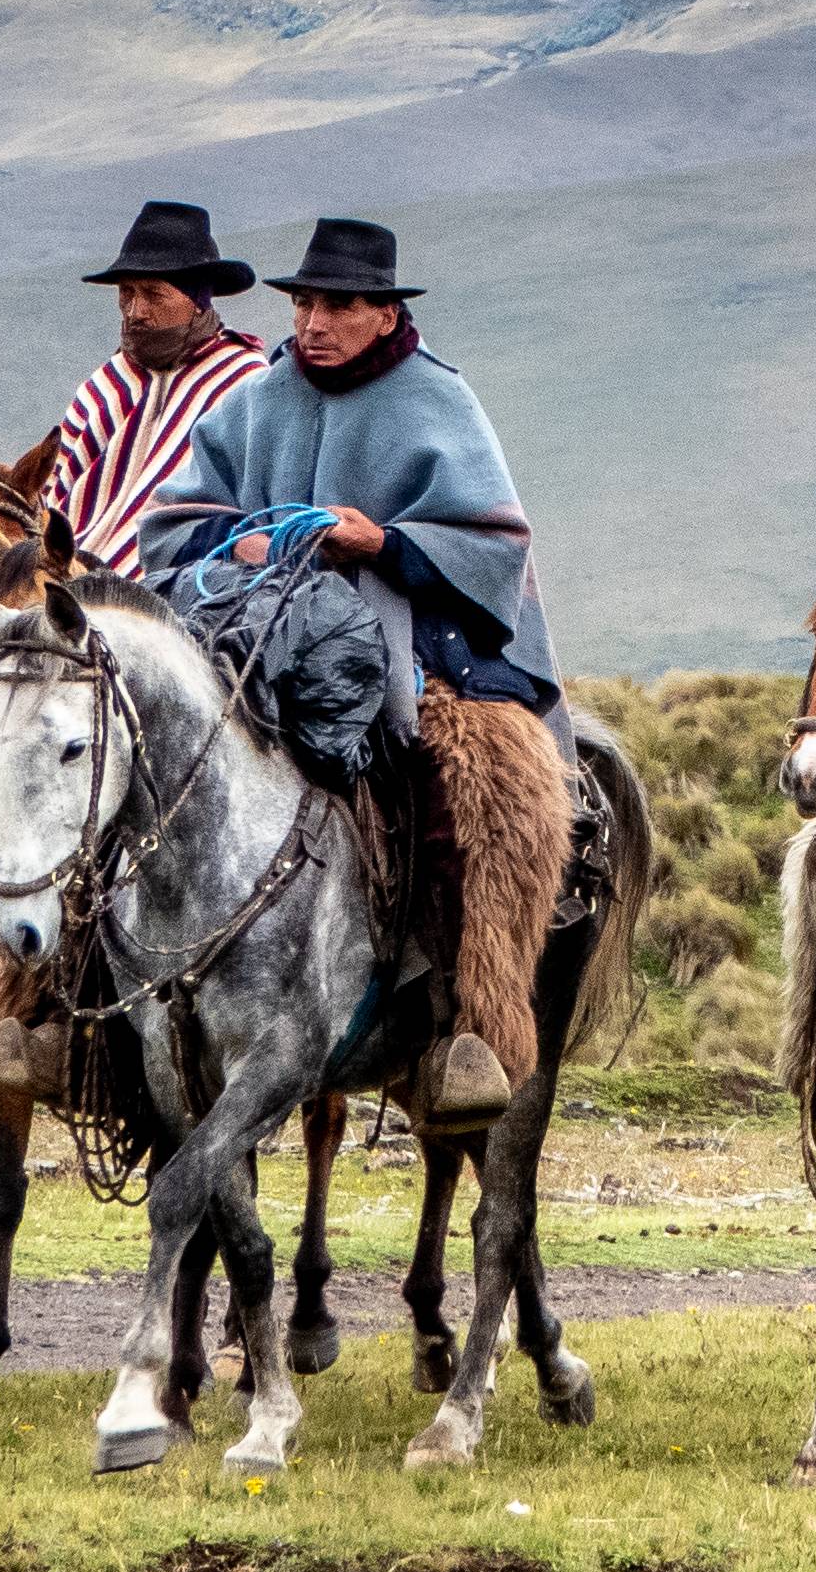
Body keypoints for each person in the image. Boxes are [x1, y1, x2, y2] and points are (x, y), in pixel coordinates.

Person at [138, 217, 566, 1134]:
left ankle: (465, 1022)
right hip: (255, 632)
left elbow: (496, 543)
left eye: (337, 305)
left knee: (475, 786)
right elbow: (174, 525)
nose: (314, 322)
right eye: (303, 303)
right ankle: (70, 1011)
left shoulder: (438, 400)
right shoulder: (258, 398)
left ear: (383, 313)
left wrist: (384, 540)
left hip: (415, 638)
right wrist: (238, 536)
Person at [45, 200, 269, 578]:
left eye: (153, 294)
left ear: (197, 300)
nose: (135, 311)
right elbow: (55, 493)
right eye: (127, 293)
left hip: (189, 582)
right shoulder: (106, 385)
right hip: (65, 577)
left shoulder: (245, 382)